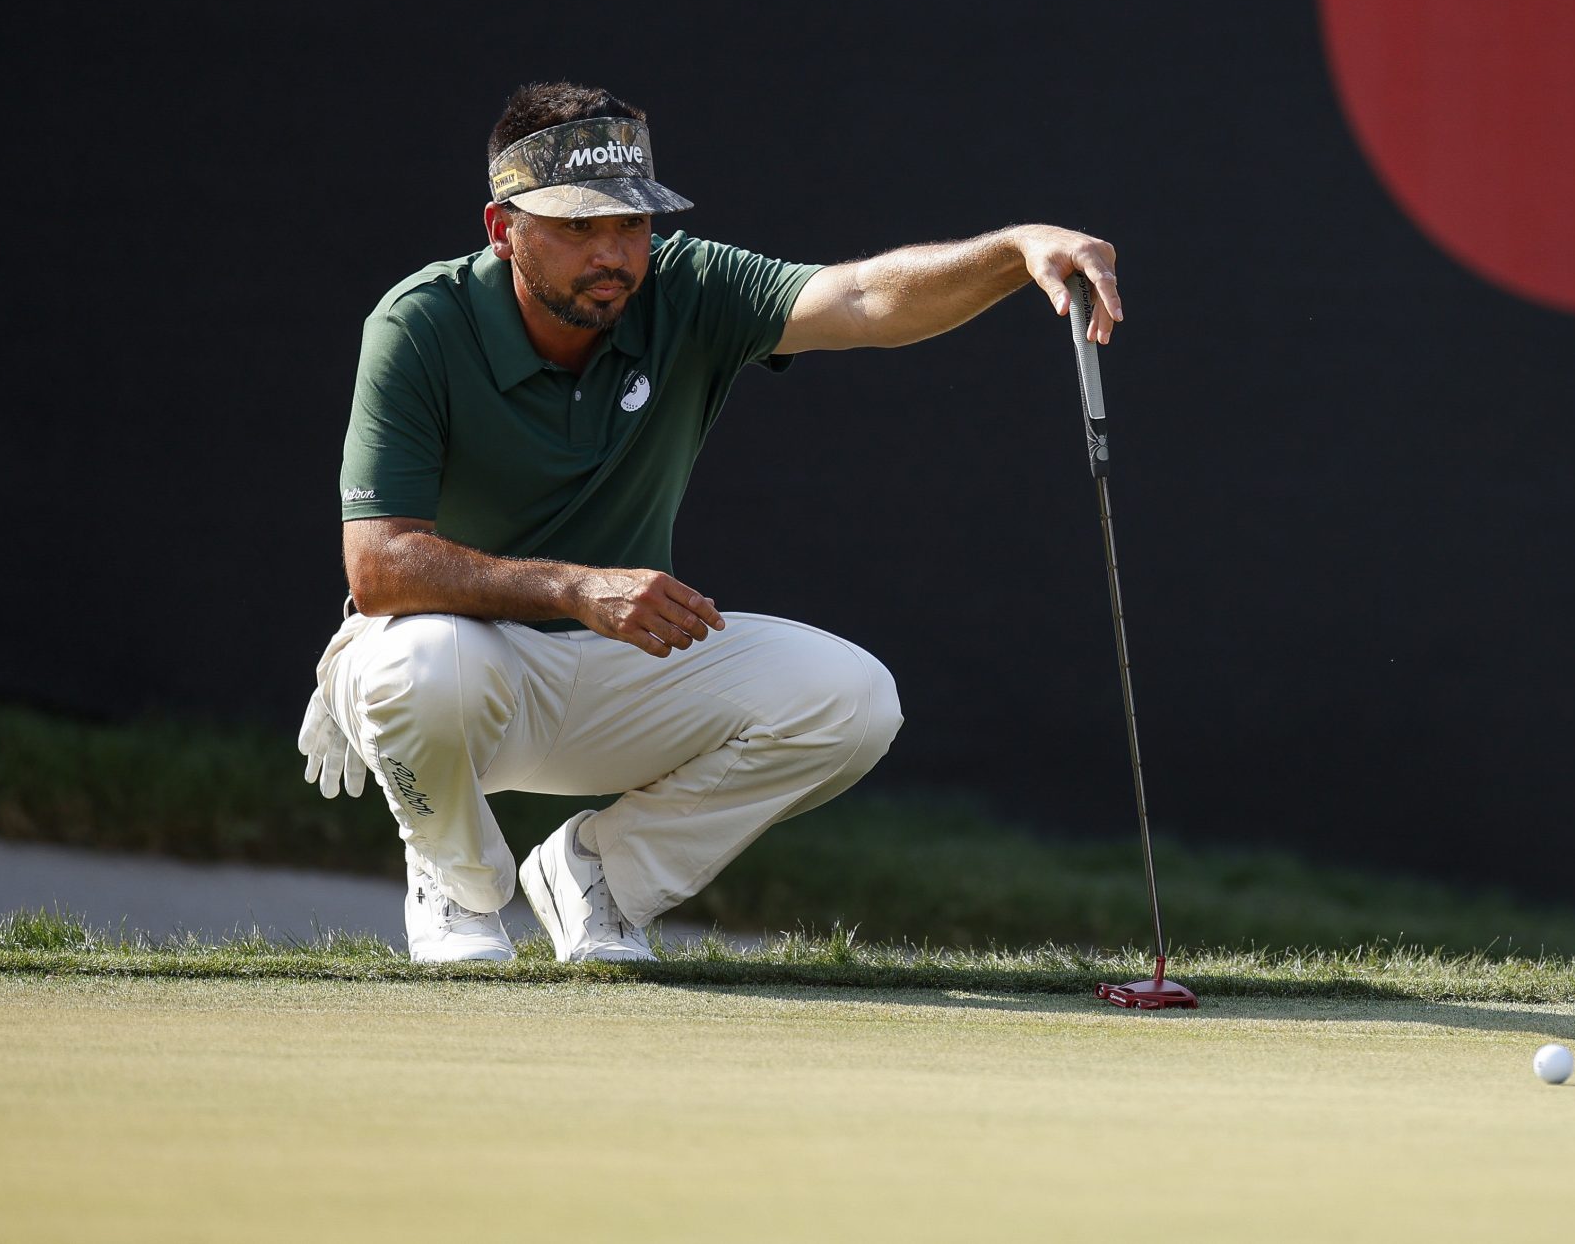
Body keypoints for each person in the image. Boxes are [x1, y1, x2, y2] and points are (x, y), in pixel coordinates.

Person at [296, 82, 1121, 962]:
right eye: (579, 227)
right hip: (461, 666)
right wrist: (576, 587)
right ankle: (455, 884)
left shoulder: (686, 286)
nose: (612, 253)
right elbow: (377, 567)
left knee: (851, 701)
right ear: (504, 230)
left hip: (616, 663)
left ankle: (599, 876)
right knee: (422, 666)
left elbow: (861, 302)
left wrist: (1011, 250)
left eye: (631, 225)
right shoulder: (421, 322)